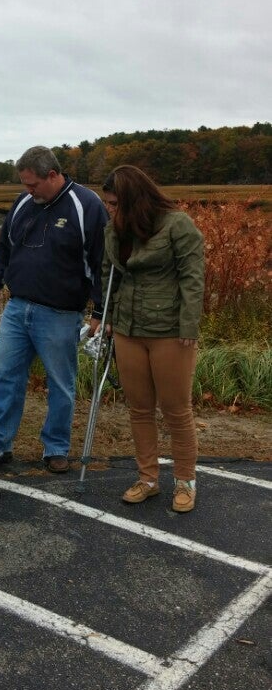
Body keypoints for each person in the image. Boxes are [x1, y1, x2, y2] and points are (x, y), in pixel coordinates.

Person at [0, 145, 108, 473]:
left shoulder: (88, 206)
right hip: (17, 309)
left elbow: (102, 263)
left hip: (60, 314)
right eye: (24, 184)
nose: (28, 190)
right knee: (3, 377)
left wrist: (100, 313)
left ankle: (55, 448)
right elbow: (5, 244)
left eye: (33, 184)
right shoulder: (24, 202)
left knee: (60, 383)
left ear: (53, 175)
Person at [91, 165, 204, 512]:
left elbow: (192, 277)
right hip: (128, 329)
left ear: (133, 200)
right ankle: (148, 478)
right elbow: (109, 274)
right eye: (107, 203)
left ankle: (185, 481)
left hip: (170, 332)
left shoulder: (177, 225)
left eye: (113, 203)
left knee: (176, 411)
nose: (108, 209)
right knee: (139, 409)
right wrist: (107, 319)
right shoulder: (115, 230)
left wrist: (188, 326)